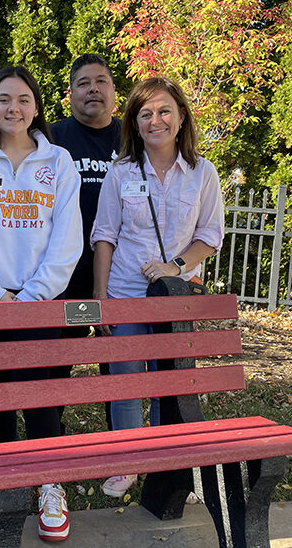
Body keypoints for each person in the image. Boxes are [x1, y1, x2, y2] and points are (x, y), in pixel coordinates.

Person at [0, 66, 82, 541]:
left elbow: (68, 240)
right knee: (0, 393)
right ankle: (9, 482)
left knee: (42, 394)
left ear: (38, 107)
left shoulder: (60, 162)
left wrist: (31, 298)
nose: (14, 108)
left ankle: (49, 483)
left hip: (42, 302)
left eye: (24, 99)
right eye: (4, 99)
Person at [90, 77, 224, 498]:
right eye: (145, 113)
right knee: (126, 379)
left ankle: (169, 464)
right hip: (126, 292)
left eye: (164, 111)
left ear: (181, 117)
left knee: (171, 381)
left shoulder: (203, 174)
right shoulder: (122, 173)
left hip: (175, 298)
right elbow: (104, 236)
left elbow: (210, 235)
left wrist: (175, 266)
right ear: (134, 123)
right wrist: (99, 297)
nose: (155, 120)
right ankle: (127, 462)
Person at [50, 54, 121, 430]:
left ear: (113, 91)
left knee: (117, 362)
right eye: (83, 83)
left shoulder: (133, 140)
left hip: (120, 278)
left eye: (101, 81)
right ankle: (50, 443)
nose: (93, 88)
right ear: (70, 94)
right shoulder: (51, 138)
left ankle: (121, 447)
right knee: (61, 357)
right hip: (67, 278)